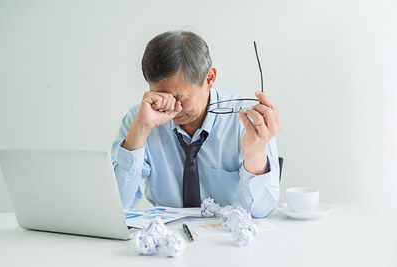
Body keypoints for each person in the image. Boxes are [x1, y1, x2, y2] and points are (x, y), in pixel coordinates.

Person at [111, 30, 281, 218]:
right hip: (169, 236)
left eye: (180, 98)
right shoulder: (139, 118)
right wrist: (140, 131)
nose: (172, 109)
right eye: (161, 97)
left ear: (210, 78)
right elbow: (116, 207)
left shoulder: (249, 122)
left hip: (229, 236)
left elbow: (261, 211)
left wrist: (255, 153)